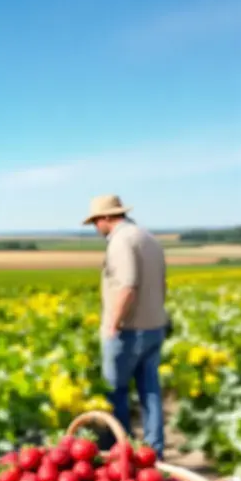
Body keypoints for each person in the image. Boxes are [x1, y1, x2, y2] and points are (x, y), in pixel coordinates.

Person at [83, 195, 169, 457]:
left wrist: (113, 324)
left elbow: (127, 286)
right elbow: (161, 284)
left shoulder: (120, 241)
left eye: (96, 221)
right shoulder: (148, 238)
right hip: (155, 326)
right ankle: (155, 451)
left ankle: (122, 452)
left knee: (115, 392)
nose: (96, 228)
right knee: (150, 391)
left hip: (129, 331)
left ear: (107, 218)